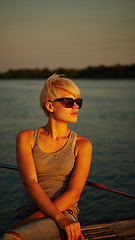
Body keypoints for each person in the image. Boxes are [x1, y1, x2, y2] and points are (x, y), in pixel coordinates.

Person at [2, 74, 92, 240]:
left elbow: (74, 194)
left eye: (78, 102)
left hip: (63, 215)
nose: (76, 107)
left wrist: (42, 219)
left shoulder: (82, 145)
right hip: (25, 213)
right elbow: (30, 183)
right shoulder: (26, 138)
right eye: (69, 102)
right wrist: (28, 219)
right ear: (50, 106)